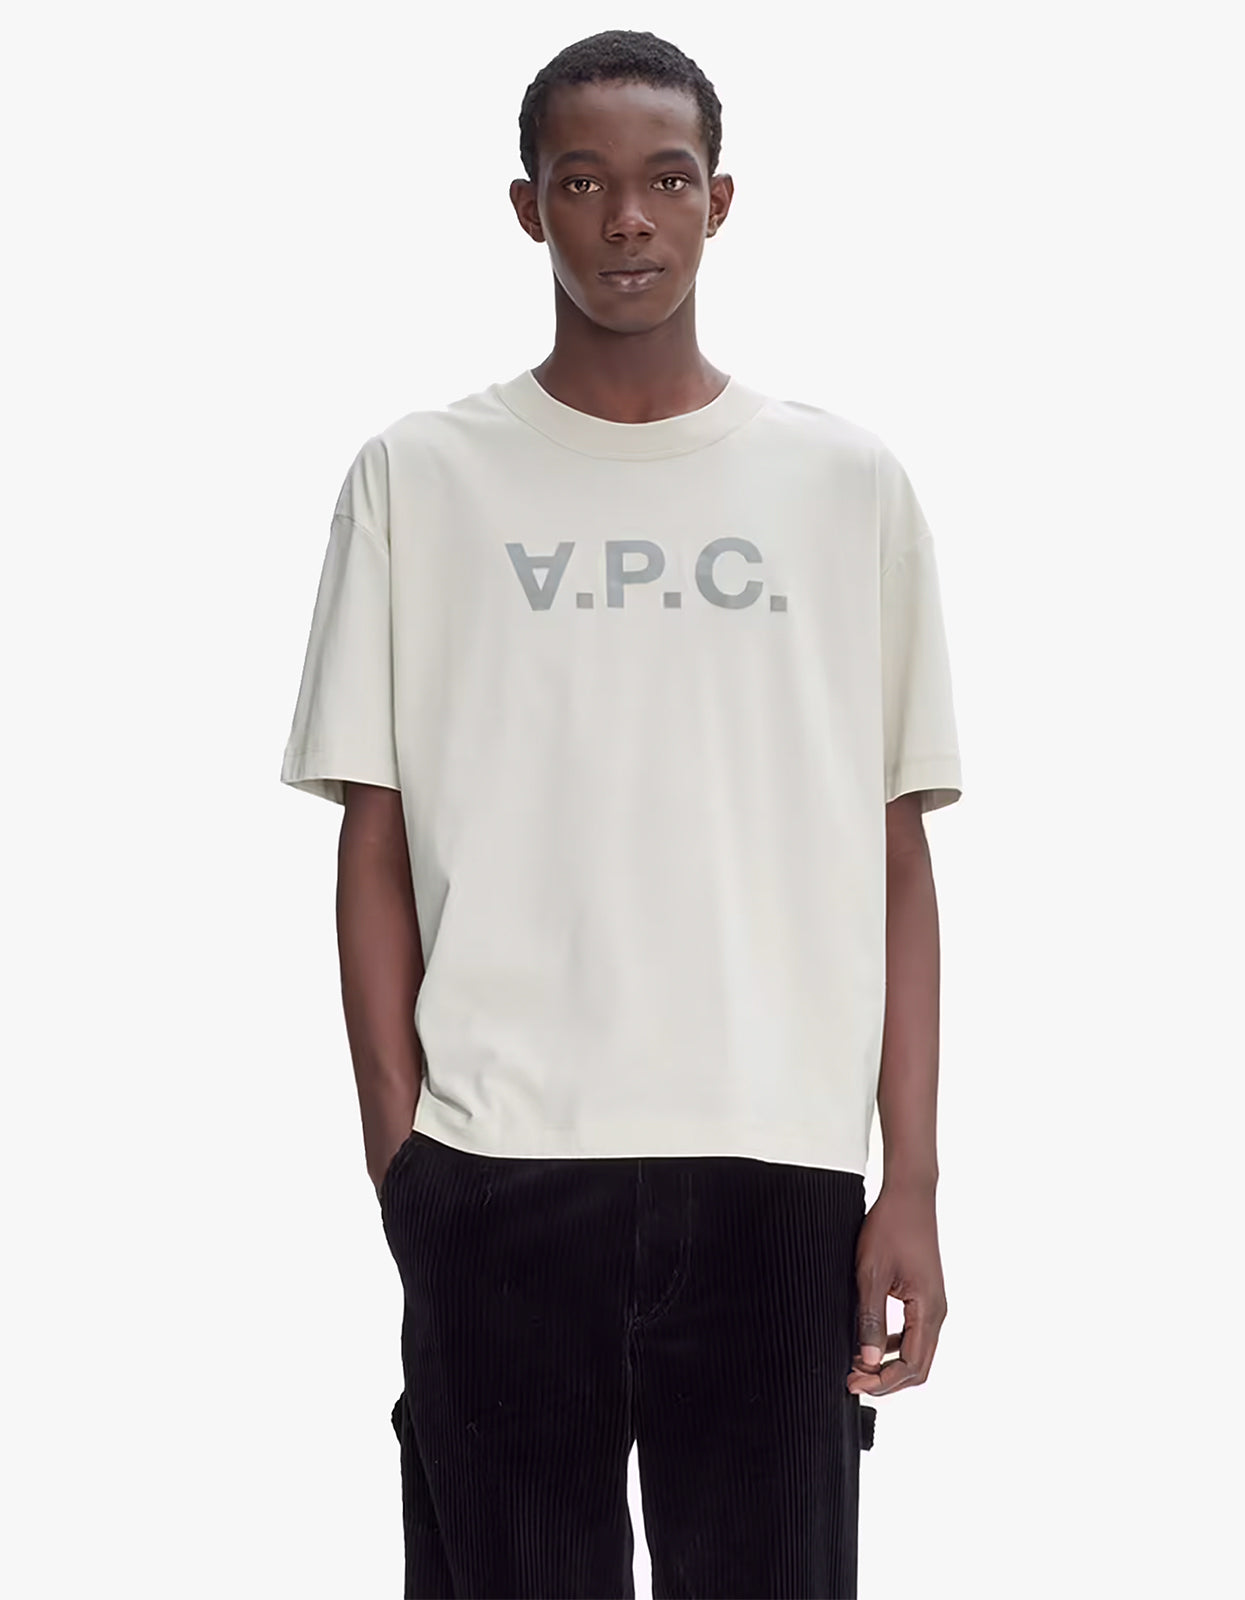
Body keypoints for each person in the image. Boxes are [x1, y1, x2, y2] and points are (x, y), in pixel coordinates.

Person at [279, 27, 962, 1600]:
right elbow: (371, 834)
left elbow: (895, 853)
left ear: (720, 200)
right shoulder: (418, 478)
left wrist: (909, 1178)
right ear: (528, 208)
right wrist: (402, 1154)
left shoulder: (845, 487)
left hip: (776, 1161)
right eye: (582, 184)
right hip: (496, 1159)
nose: (627, 219)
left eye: (664, 179)